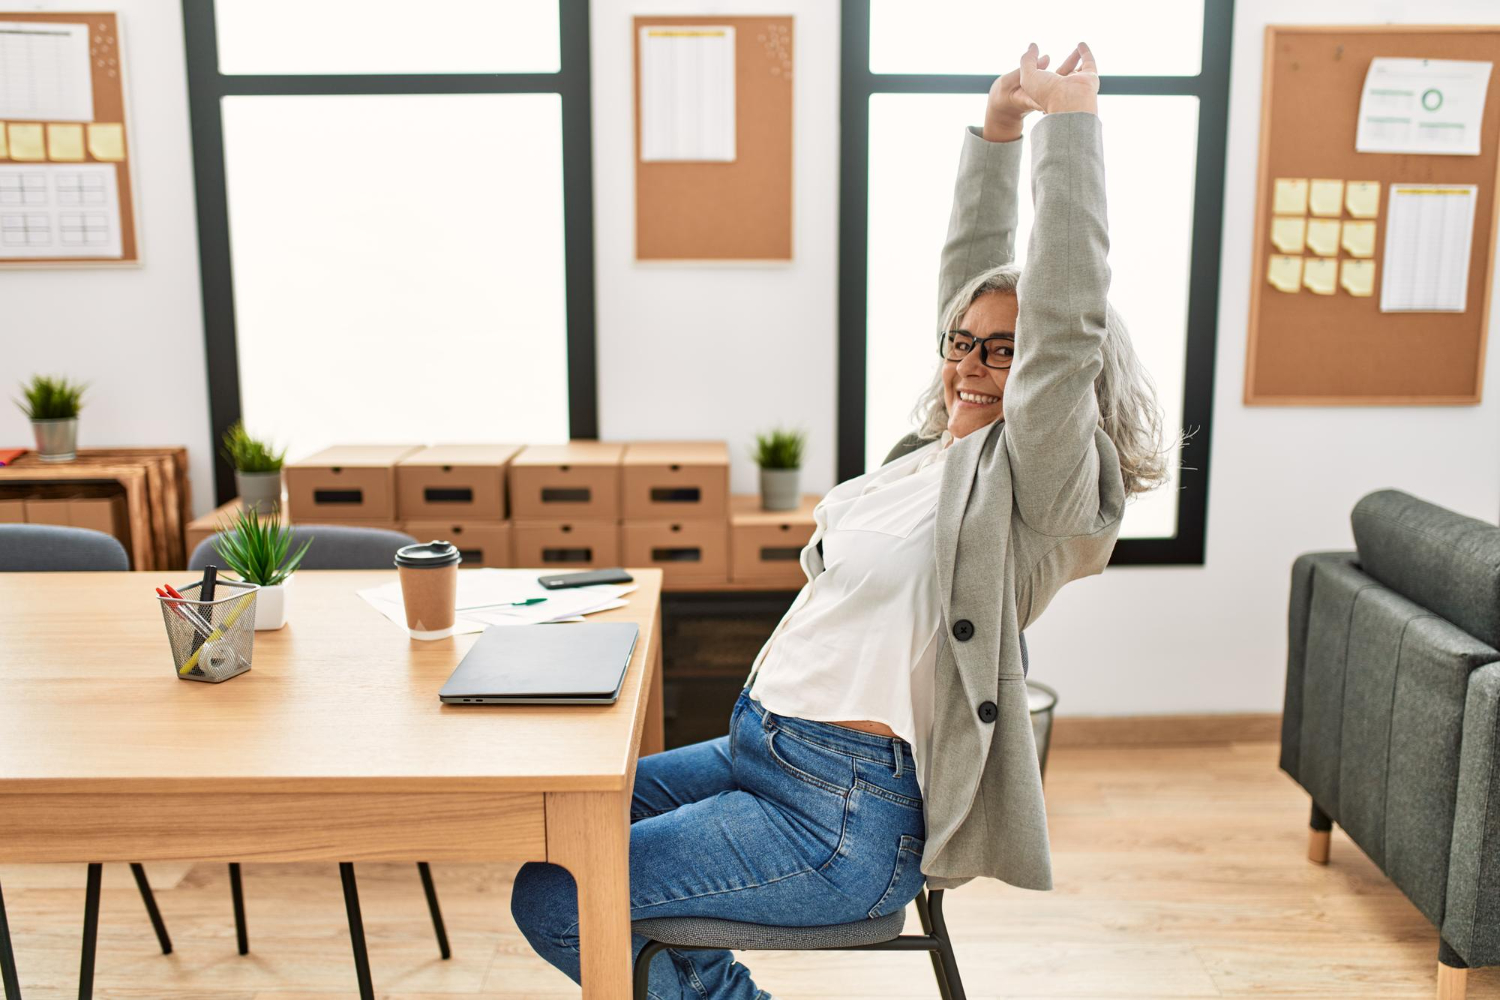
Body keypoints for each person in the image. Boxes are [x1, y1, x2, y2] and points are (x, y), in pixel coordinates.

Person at [510, 41, 1170, 1000]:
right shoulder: (928, 457)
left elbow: (1061, 325)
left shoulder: (1039, 496)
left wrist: (1070, 128)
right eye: (961, 344)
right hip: (759, 748)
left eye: (1003, 355)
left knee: (560, 897)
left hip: (844, 815)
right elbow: (975, 277)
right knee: (555, 843)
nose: (973, 366)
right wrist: (995, 133)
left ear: (1049, 384)